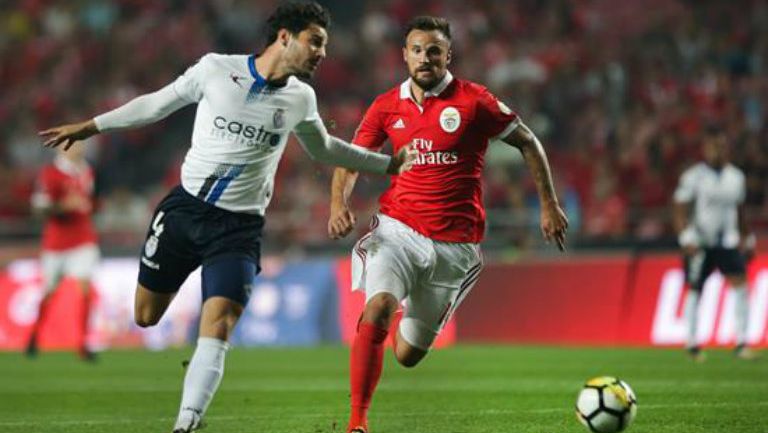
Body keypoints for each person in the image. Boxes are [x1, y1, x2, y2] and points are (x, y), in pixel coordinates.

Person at [39, 3, 416, 432]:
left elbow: (324, 149)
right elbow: (158, 104)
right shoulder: (216, 69)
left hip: (238, 229)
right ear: (285, 37)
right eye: (316, 42)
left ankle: (186, 421)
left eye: (324, 45)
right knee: (145, 315)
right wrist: (93, 126)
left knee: (218, 323)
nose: (322, 53)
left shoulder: (300, 97)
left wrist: (385, 165)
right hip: (184, 212)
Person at [327, 16, 569, 433]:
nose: (425, 58)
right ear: (404, 55)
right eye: (417, 50)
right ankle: (357, 422)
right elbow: (352, 159)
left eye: (433, 50)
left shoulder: (475, 101)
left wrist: (548, 204)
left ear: (448, 55)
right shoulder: (386, 105)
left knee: (407, 355)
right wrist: (338, 203)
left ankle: (393, 321)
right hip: (397, 230)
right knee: (379, 305)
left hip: (455, 247)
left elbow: (528, 141)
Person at [673, 127, 757, 362]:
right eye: (712, 146)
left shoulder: (736, 177)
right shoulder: (693, 176)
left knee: (741, 284)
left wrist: (747, 237)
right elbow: (679, 208)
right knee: (695, 288)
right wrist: (685, 237)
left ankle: (742, 342)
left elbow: (740, 211)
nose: (716, 151)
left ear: (726, 148)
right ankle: (691, 343)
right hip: (700, 242)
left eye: (720, 146)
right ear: (705, 148)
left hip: (728, 241)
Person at [27, 143, 99, 362]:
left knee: (85, 290)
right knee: (49, 292)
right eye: (75, 143)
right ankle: (34, 336)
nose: (79, 147)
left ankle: (83, 343)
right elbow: (38, 209)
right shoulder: (50, 173)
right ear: (62, 149)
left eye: (81, 143)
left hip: (83, 239)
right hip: (56, 243)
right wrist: (62, 206)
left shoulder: (87, 171)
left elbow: (88, 203)